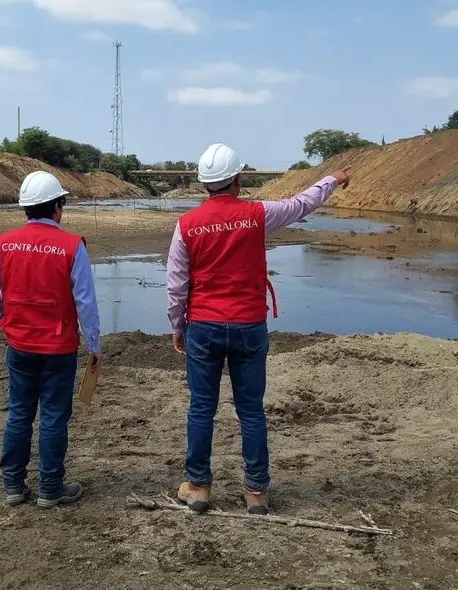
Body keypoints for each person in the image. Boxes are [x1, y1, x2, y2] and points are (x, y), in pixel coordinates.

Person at [165, 143, 350, 515]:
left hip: (204, 324)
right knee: (251, 411)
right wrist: (331, 179)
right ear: (238, 179)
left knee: (202, 408)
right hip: (249, 324)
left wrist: (177, 325)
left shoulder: (186, 225)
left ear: (204, 185)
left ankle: (198, 487)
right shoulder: (257, 214)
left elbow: (176, 284)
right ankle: (256, 493)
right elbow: (301, 204)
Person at [0, 170, 102, 509]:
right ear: (58, 207)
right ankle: (50, 488)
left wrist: (4, 314)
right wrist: (94, 346)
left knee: (19, 413)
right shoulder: (72, 246)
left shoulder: (4, 242)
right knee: (53, 416)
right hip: (58, 348)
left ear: (26, 209)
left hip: (19, 343)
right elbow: (86, 303)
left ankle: (13, 487)